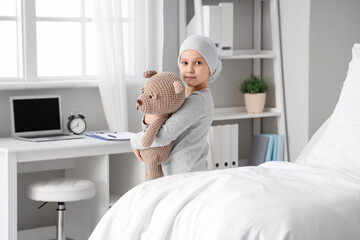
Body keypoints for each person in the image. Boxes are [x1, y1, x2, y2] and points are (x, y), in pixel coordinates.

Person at [131, 35, 222, 176]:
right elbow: (155, 126)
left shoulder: (198, 101)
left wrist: (134, 141)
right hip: (175, 171)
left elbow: (163, 135)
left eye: (198, 63)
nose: (190, 69)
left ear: (211, 67)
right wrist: (147, 120)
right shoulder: (181, 98)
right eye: (185, 63)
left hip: (186, 173)